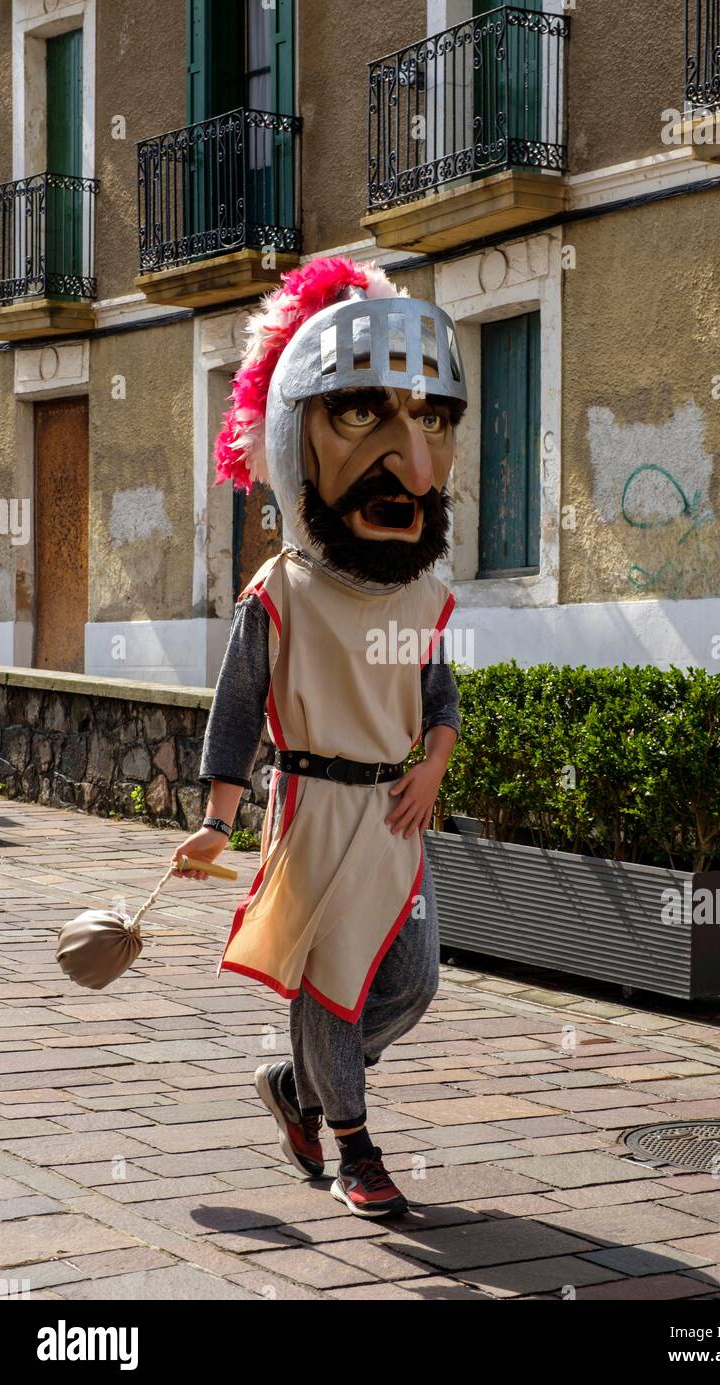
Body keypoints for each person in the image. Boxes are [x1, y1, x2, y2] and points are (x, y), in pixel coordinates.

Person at [172, 255, 468, 1218]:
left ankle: (302, 1090)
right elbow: (238, 707)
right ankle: (354, 1146)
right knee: (332, 985)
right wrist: (217, 821)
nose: (410, 460)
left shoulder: (419, 594)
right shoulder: (280, 594)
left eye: (427, 419)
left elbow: (441, 700)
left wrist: (433, 766)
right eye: (360, 416)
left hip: (394, 817)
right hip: (313, 809)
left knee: (411, 983)